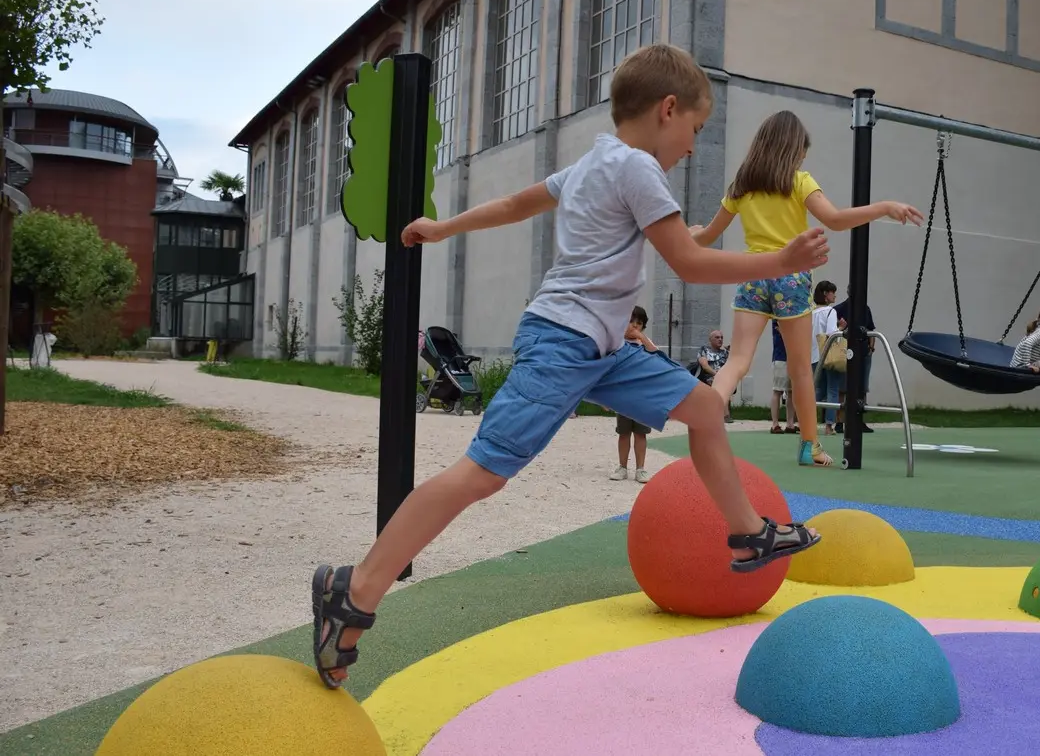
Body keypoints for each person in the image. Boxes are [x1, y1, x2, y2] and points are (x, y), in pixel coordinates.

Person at [309, 44, 827, 689]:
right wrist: (782, 262)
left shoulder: (594, 164)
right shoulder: (639, 170)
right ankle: (352, 592)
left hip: (602, 348)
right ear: (668, 110)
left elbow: (516, 204)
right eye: (694, 129)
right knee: (481, 475)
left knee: (705, 406)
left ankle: (750, 534)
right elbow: (690, 266)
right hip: (563, 341)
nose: (693, 147)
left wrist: (443, 229)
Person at [689, 110, 922, 466]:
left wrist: (692, 234)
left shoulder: (742, 185)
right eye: (801, 153)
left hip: (753, 274)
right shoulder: (799, 182)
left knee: (738, 360)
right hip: (791, 277)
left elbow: (707, 236)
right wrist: (884, 207)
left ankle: (709, 413)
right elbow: (836, 219)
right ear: (792, 151)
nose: (802, 159)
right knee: (800, 368)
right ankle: (809, 446)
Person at [611, 306, 659, 483]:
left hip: (642, 395)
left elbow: (655, 354)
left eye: (639, 324)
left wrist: (641, 338)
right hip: (623, 395)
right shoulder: (617, 343)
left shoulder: (645, 343)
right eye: (631, 321)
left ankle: (640, 469)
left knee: (641, 433)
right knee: (623, 433)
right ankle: (622, 467)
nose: (634, 326)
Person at [834, 287, 876, 434]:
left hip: (863, 352)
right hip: (845, 352)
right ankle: (839, 421)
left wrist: (871, 347)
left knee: (861, 387)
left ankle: (859, 421)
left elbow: (870, 329)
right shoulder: (839, 309)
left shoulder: (865, 309)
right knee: (843, 388)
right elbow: (835, 330)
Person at [811, 280, 843, 435]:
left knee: (817, 389)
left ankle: (808, 421)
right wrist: (841, 328)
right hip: (829, 354)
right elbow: (832, 333)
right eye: (832, 292)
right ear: (825, 294)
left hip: (813, 355)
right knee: (832, 389)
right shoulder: (831, 312)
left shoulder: (811, 312)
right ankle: (829, 425)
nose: (834, 295)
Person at [769, 319, 798, 434]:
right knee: (778, 390)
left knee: (791, 392)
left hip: (793, 357)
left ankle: (790, 424)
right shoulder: (778, 316)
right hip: (780, 357)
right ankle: (775, 424)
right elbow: (785, 332)